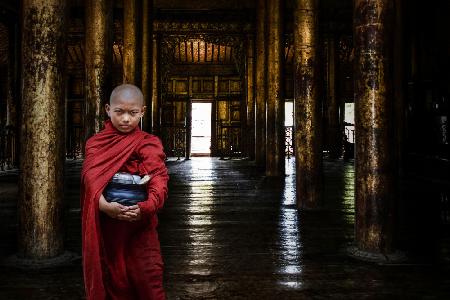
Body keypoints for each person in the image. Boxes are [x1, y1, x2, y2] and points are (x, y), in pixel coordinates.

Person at [81, 84, 169, 300]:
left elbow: (158, 176)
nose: (126, 119)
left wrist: (146, 207)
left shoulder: (148, 142)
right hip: (108, 227)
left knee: (149, 280)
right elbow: (90, 180)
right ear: (107, 109)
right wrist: (103, 205)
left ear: (143, 111)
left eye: (133, 113)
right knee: (114, 281)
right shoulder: (96, 143)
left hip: (141, 225)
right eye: (119, 112)